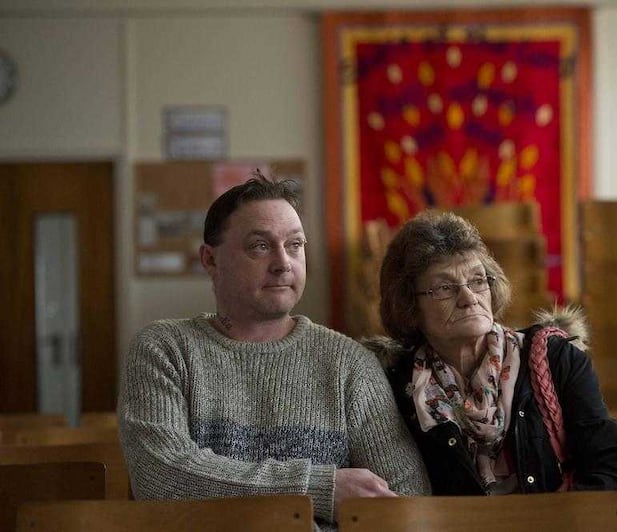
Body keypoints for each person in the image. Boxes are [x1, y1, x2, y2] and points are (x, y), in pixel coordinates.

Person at [118, 170, 430, 531]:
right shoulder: (163, 350)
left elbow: (406, 501)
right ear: (210, 260)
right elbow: (162, 478)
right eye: (260, 246)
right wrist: (317, 489)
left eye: (295, 245)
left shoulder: (350, 364)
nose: (283, 262)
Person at [366, 210, 617, 512]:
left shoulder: (555, 359)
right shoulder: (393, 384)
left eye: (477, 281)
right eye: (444, 287)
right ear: (409, 305)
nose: (468, 297)